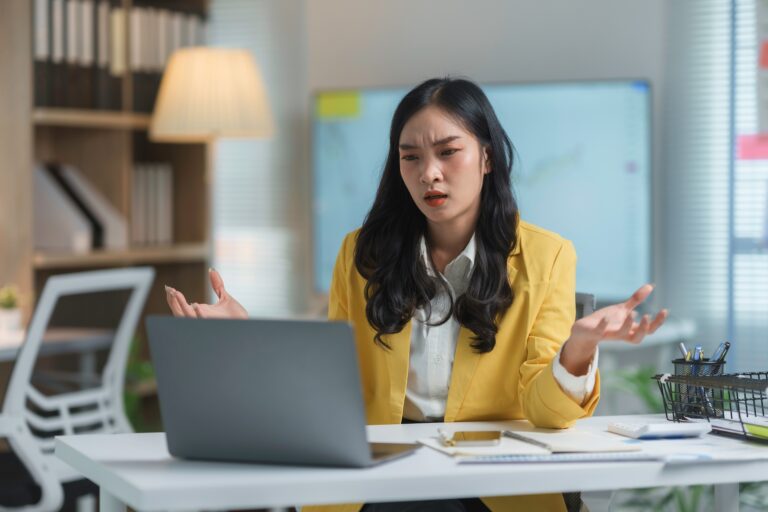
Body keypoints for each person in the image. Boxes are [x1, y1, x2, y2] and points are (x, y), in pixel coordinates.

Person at [165, 77, 667, 512]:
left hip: (491, 484)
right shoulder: (361, 255)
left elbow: (545, 413)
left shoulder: (547, 256)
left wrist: (576, 352)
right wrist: (246, 339)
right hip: (379, 474)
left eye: (448, 152)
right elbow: (334, 389)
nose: (429, 173)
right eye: (411, 158)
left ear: (486, 157)